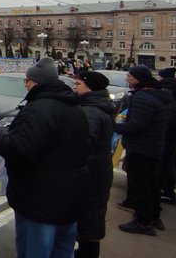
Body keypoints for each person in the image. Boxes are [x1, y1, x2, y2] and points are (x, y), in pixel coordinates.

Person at [0, 57, 89, 258]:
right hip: (70, 195)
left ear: (36, 82)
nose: (25, 85)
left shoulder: (38, 109)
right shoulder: (75, 108)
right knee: (63, 250)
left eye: (26, 81)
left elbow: (20, 148)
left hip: (39, 198)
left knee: (34, 251)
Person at [114, 65, 171, 235]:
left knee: (141, 185)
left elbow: (137, 125)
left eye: (130, 76)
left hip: (141, 148)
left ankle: (142, 221)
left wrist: (115, 126)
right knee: (152, 184)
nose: (127, 79)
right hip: (153, 146)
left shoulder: (143, 97)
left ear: (139, 79)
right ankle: (153, 217)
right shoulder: (158, 95)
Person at [73, 71, 115, 258]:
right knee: (91, 217)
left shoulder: (91, 111)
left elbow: (82, 144)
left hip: (91, 172)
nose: (75, 87)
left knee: (89, 219)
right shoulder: (97, 106)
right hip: (98, 170)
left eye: (78, 84)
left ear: (90, 87)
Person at [157, 67, 176, 205]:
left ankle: (168, 193)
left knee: (166, 166)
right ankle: (167, 191)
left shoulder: (172, 106)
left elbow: (169, 125)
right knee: (168, 165)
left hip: (168, 140)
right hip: (172, 139)